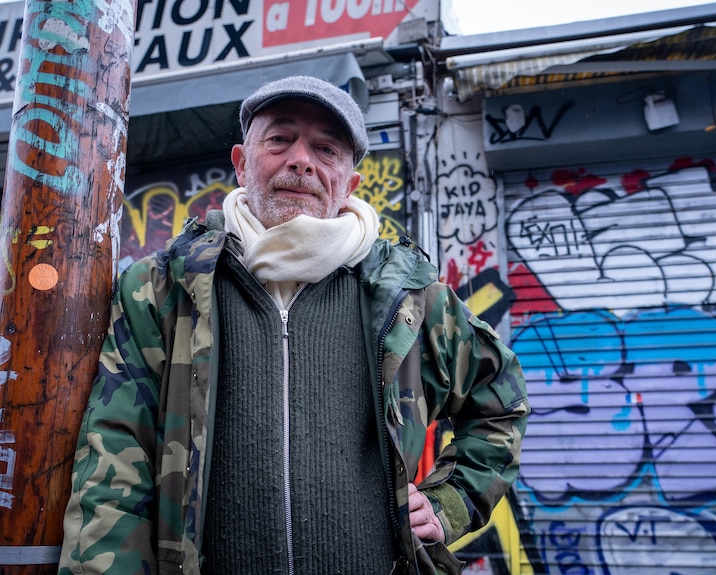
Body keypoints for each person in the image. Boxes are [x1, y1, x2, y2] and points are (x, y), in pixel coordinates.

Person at [57, 75, 529, 575]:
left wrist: (448, 505)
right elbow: (112, 467)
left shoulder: (409, 296)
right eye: (280, 139)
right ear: (241, 164)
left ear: (349, 184)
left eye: (326, 149)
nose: (300, 160)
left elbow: (501, 400)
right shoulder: (161, 289)